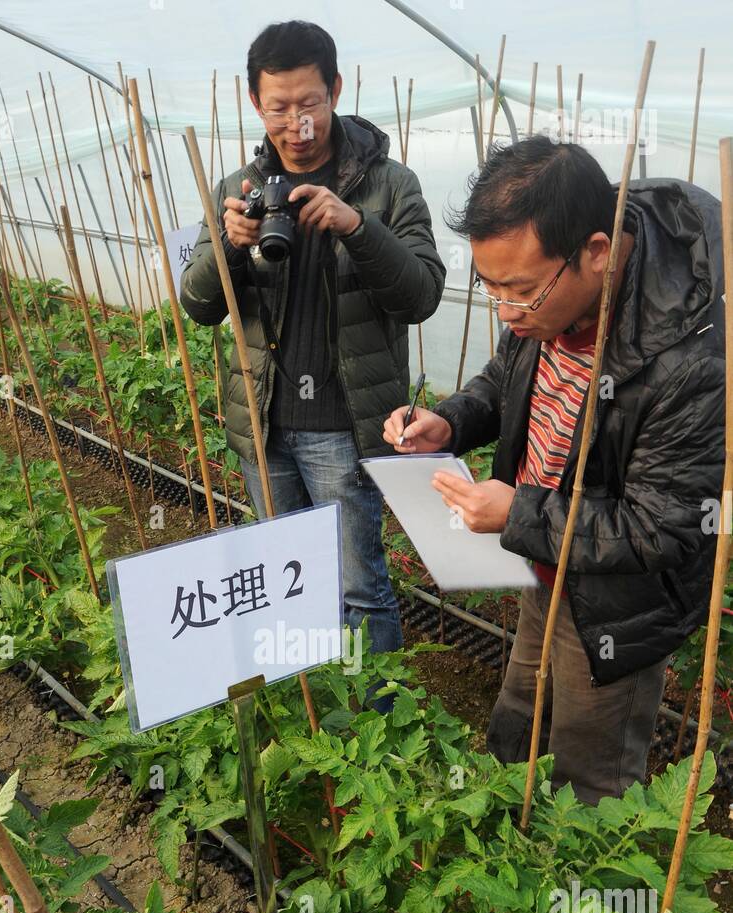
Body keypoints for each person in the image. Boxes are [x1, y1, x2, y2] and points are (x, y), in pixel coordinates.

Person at [383, 136, 725, 804]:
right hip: (544, 556)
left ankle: (587, 898)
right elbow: (505, 376)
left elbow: (664, 529)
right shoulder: (545, 300)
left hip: (617, 600)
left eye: (518, 292)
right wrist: (451, 420)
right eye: (490, 289)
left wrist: (515, 513)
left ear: (596, 254)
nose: (506, 313)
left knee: (590, 774)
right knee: (519, 719)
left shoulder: (690, 360)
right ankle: (511, 854)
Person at [181, 19, 446, 657]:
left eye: (309, 103)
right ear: (255, 104)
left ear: (335, 88)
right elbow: (196, 304)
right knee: (284, 583)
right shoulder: (236, 192)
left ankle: (374, 742)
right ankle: (314, 714)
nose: (295, 122)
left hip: (343, 425)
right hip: (263, 425)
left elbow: (422, 295)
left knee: (359, 588)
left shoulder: (390, 184)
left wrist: (358, 226)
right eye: (279, 107)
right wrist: (230, 248)